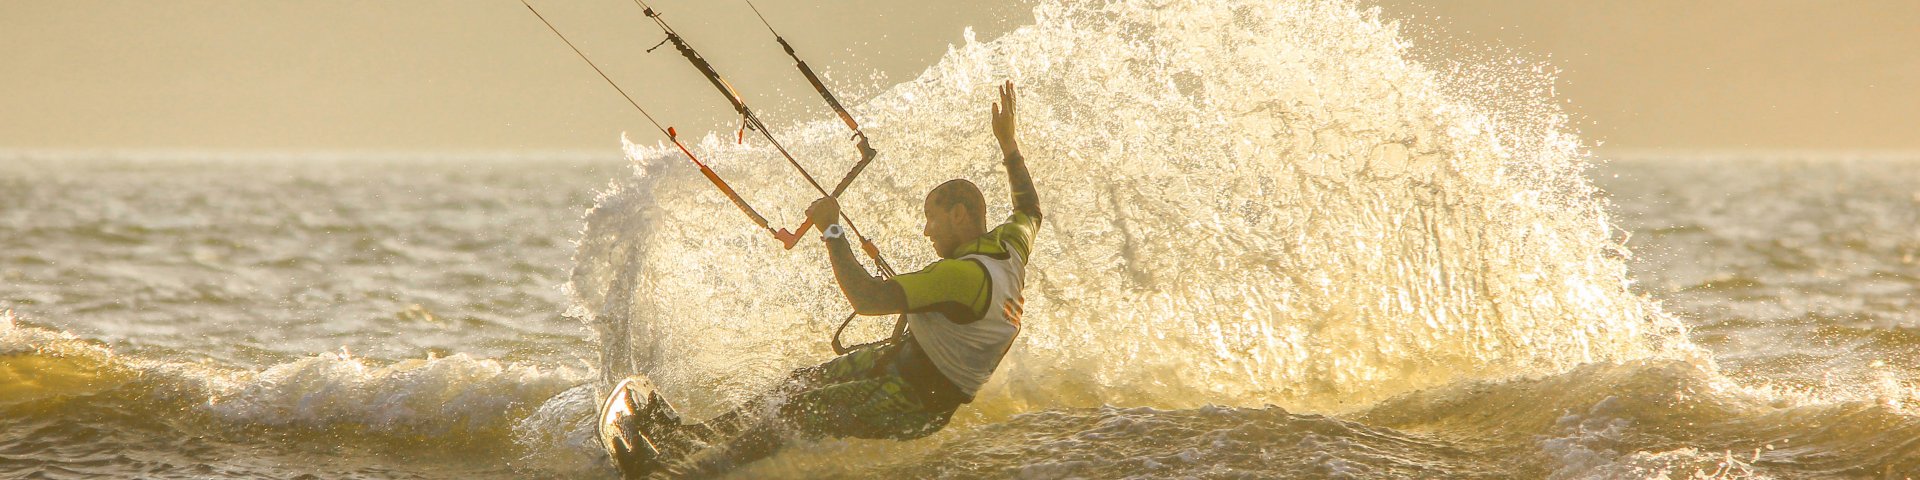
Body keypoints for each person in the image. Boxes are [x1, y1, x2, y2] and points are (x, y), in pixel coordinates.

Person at [657, 80, 1041, 478]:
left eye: (933, 217)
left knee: (801, 410)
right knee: (798, 383)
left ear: (959, 215)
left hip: (915, 402)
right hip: (902, 361)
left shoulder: (959, 276)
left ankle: (691, 472)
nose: (927, 231)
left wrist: (832, 230)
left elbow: (867, 298)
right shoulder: (1010, 246)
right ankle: (689, 439)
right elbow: (1030, 208)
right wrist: (1008, 144)